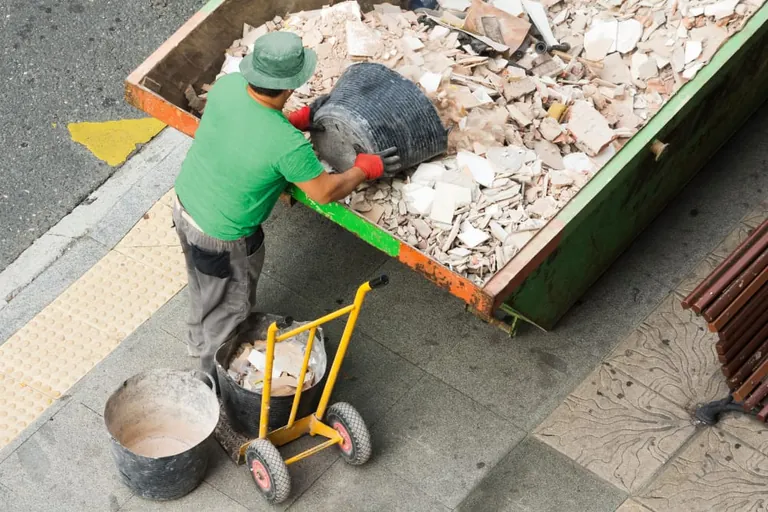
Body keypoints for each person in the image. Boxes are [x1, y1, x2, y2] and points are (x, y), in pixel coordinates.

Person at [172, 31, 401, 379]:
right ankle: (211, 383)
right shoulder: (287, 146)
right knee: (229, 310)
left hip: (186, 204)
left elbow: (241, 132)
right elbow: (323, 192)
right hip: (223, 236)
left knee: (202, 286)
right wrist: (363, 169)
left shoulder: (229, 87)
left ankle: (198, 340)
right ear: (291, 86)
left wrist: (295, 120)